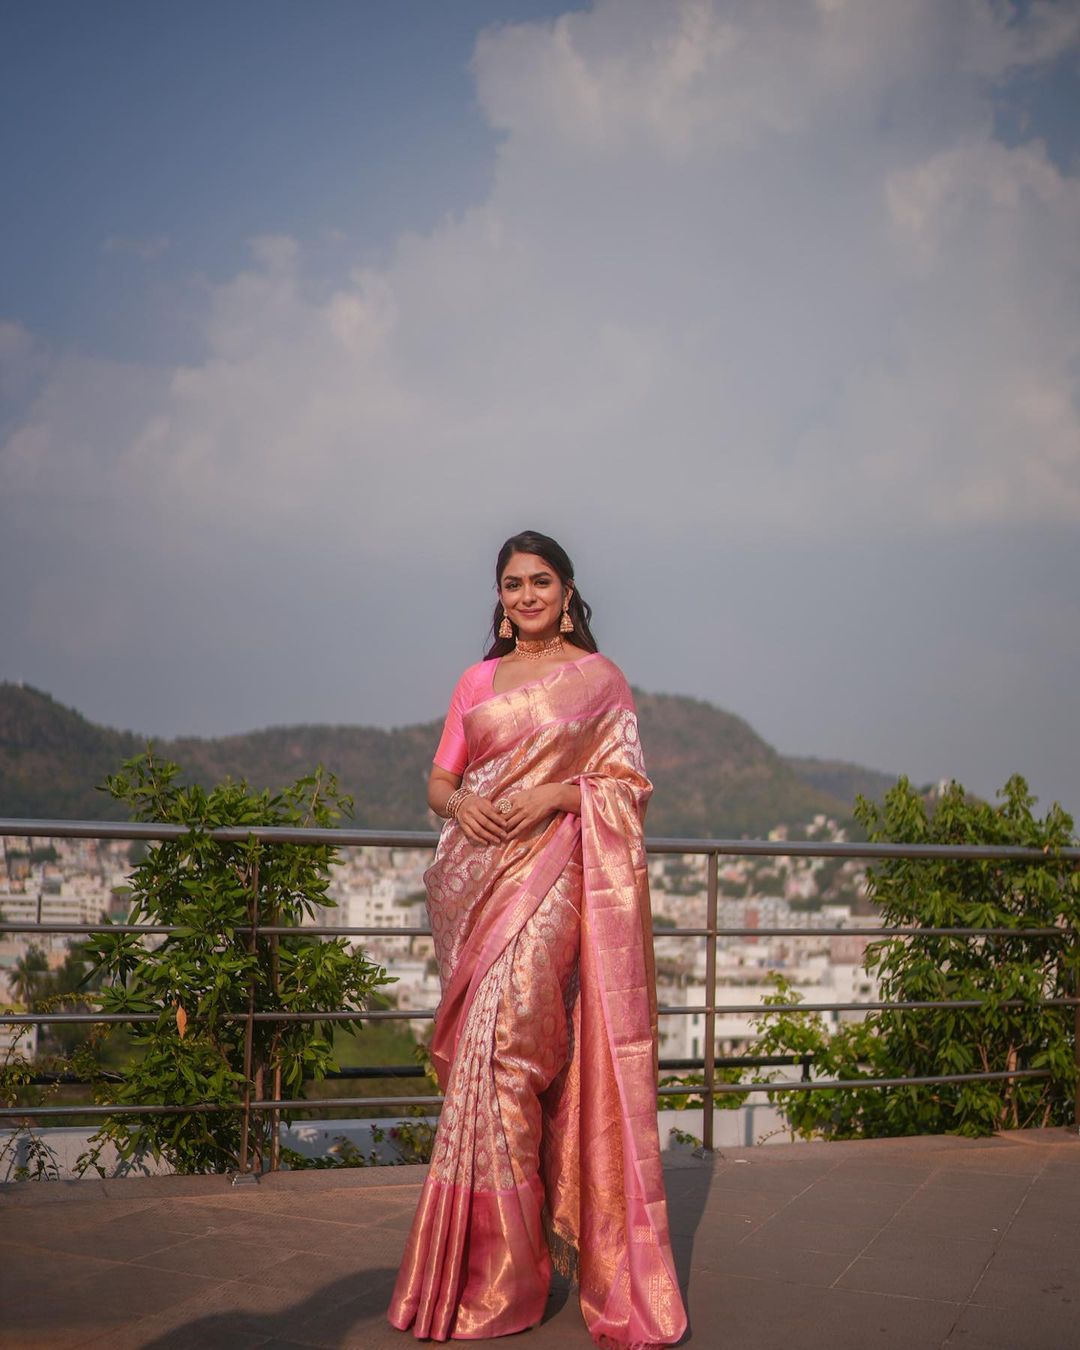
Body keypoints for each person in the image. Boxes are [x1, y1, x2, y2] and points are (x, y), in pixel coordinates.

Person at [388, 530, 687, 1348]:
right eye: (513, 584)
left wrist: (559, 792)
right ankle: (492, 1267)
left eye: (541, 582)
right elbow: (440, 778)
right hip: (476, 877)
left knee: (510, 1049)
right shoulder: (475, 682)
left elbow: (627, 786)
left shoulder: (599, 681)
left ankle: (509, 1275)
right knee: (484, 1068)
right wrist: (457, 807)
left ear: (567, 591)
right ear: (499, 595)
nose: (526, 596)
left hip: (553, 872)